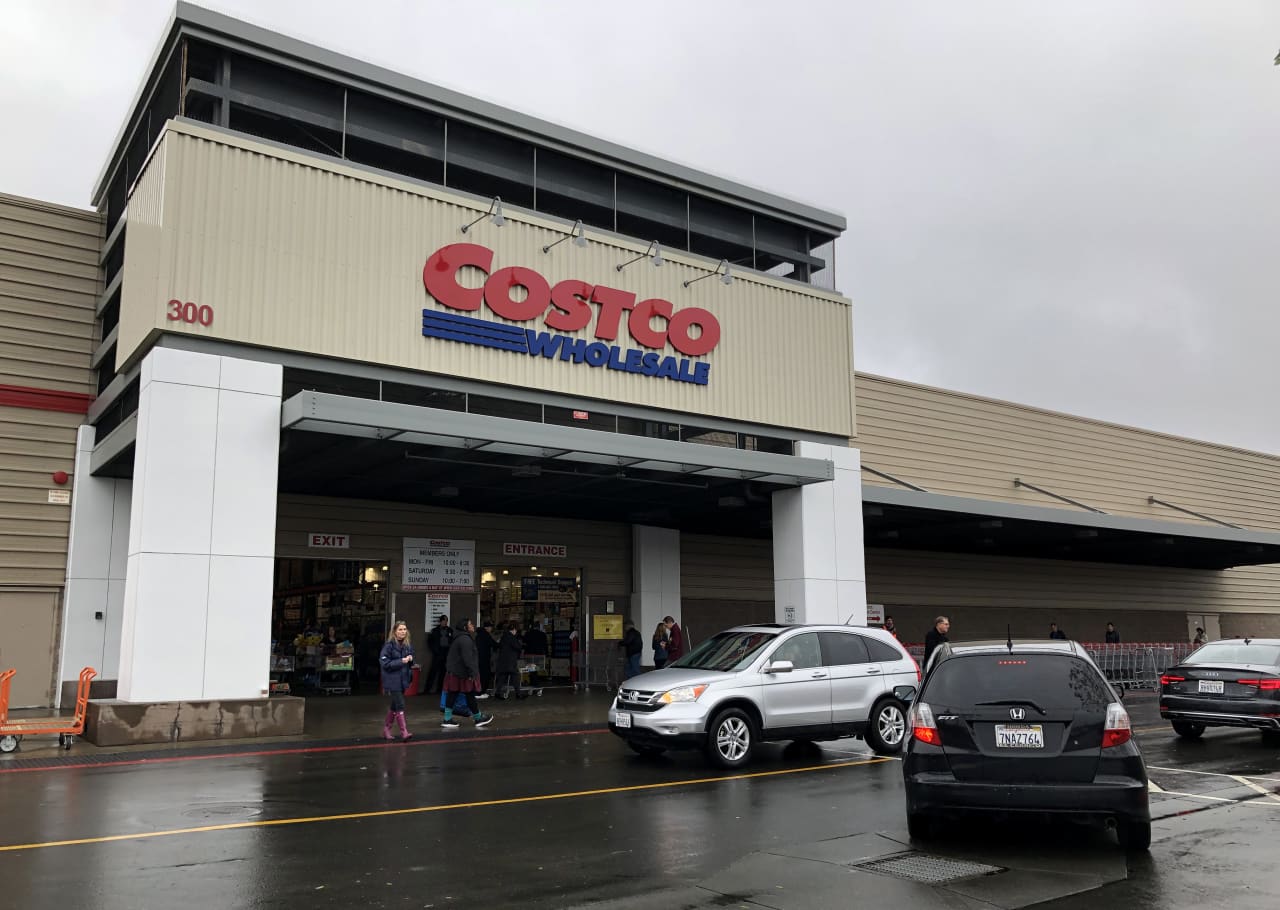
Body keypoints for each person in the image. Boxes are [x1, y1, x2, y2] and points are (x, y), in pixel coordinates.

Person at [441, 618, 494, 728]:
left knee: (453, 694)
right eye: (470, 624)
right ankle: (478, 718)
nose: (472, 625)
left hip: (456, 672)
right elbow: (468, 659)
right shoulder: (465, 640)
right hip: (462, 673)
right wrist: (473, 673)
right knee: (469, 694)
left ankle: (447, 718)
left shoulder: (459, 638)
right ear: (465, 627)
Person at [378, 621, 416, 741]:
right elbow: (384, 663)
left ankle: (386, 729)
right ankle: (404, 732)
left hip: (403, 679)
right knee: (400, 704)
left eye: (404, 629)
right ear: (394, 631)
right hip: (392, 679)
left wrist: (411, 659)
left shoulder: (407, 645)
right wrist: (401, 661)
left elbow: (411, 661)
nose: (403, 631)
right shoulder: (388, 646)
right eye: (400, 629)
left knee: (394, 705)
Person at [495, 621, 527, 700]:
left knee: (502, 677)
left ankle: (497, 693)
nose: (516, 632)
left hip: (503, 661)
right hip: (510, 661)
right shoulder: (511, 637)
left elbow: (499, 646)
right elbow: (518, 647)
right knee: (515, 676)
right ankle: (518, 694)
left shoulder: (504, 636)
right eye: (516, 630)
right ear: (514, 629)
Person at [424, 615, 454, 694]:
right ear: (440, 621)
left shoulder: (450, 630)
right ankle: (427, 690)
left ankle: (440, 689)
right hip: (438, 653)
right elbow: (429, 641)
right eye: (443, 621)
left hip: (446, 652)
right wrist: (434, 650)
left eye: (446, 621)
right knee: (433, 671)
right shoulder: (435, 630)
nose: (445, 622)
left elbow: (452, 640)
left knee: (443, 672)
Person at [476, 620, 499, 695]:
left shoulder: (479, 635)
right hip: (484, 658)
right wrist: (499, 643)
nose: (491, 629)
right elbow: (493, 644)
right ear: (487, 627)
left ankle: (479, 691)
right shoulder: (486, 635)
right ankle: (481, 692)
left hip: (478, 658)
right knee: (485, 675)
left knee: (480, 675)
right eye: (491, 627)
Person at [523, 619, 548, 686]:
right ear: (539, 627)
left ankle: (533, 683)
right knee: (535, 669)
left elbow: (524, 642)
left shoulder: (528, 633)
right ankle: (534, 683)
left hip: (529, 654)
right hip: (539, 654)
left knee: (531, 669)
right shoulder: (543, 634)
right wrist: (546, 654)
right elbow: (545, 645)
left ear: (532, 626)